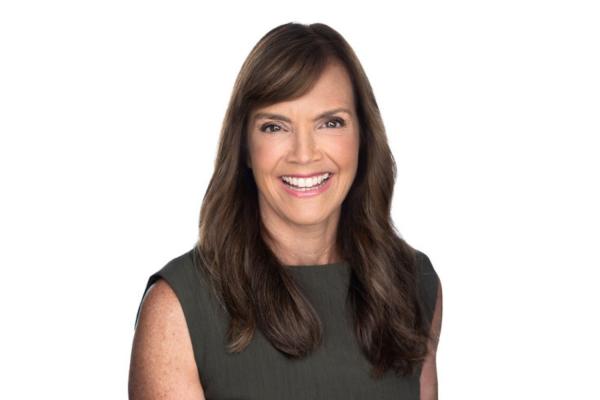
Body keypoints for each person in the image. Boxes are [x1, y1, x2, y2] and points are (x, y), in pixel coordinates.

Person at [128, 22, 442, 400]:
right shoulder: (179, 309)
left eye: (331, 122)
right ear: (244, 146)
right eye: (275, 126)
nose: (304, 154)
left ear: (364, 136)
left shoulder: (413, 285)